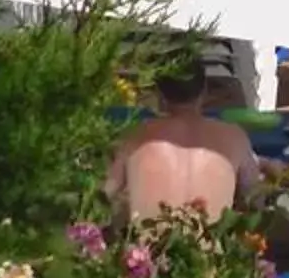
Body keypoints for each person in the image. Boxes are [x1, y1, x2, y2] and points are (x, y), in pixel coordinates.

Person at [106, 64, 263, 222]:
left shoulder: (134, 135)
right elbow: (256, 201)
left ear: (159, 94)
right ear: (204, 91)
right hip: (209, 243)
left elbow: (105, 193)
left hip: (147, 246)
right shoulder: (234, 137)